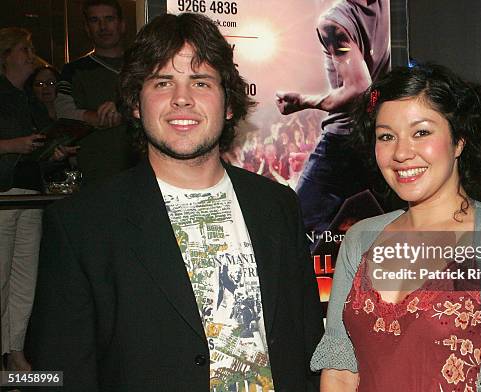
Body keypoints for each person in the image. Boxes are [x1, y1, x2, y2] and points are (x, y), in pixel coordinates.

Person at [26, 13, 323, 391]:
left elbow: (307, 343)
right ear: (135, 104)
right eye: (163, 82)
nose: (182, 99)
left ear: (229, 103)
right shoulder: (81, 225)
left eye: (200, 82)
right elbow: (61, 372)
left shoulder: (277, 206)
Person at [310, 65, 481, 391]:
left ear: (459, 140)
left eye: (421, 132)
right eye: (386, 136)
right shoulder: (360, 238)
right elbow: (340, 372)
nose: (402, 153)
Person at [275, 0, 390, 240]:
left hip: (344, 145)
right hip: (378, 140)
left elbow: (359, 88)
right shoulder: (388, 7)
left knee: (295, 232)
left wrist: (303, 101)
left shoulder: (334, 23)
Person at [0, 27, 71, 372]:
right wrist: (13, 145)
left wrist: (54, 151)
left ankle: (15, 351)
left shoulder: (29, 98)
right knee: (0, 275)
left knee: (24, 277)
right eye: (23, 50)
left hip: (31, 192)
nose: (30, 55)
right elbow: (16, 143)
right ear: (5, 56)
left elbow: (39, 142)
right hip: (3, 194)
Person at [55, 0, 135, 184]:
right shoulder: (73, 70)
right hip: (94, 171)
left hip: (141, 168)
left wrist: (123, 111)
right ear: (86, 27)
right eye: (95, 20)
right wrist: (98, 118)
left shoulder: (142, 66)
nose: (103, 27)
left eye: (109, 19)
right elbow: (63, 111)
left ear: (122, 25)